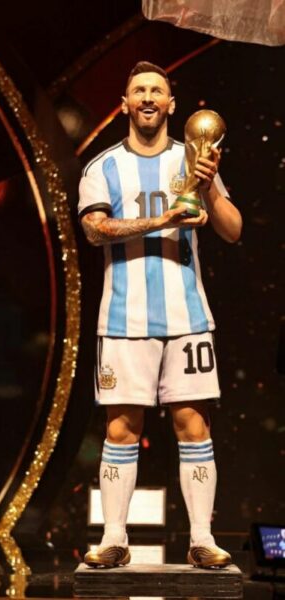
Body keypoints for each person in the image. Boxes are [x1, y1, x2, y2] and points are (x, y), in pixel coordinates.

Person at [78, 61, 242, 569]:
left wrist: (210, 187)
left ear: (172, 105)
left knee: (194, 425)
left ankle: (201, 539)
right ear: (125, 104)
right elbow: (94, 230)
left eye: (157, 90)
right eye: (138, 91)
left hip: (187, 317)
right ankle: (114, 539)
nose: (148, 98)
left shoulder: (195, 161)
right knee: (121, 430)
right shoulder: (103, 167)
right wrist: (163, 219)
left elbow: (233, 230)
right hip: (124, 321)